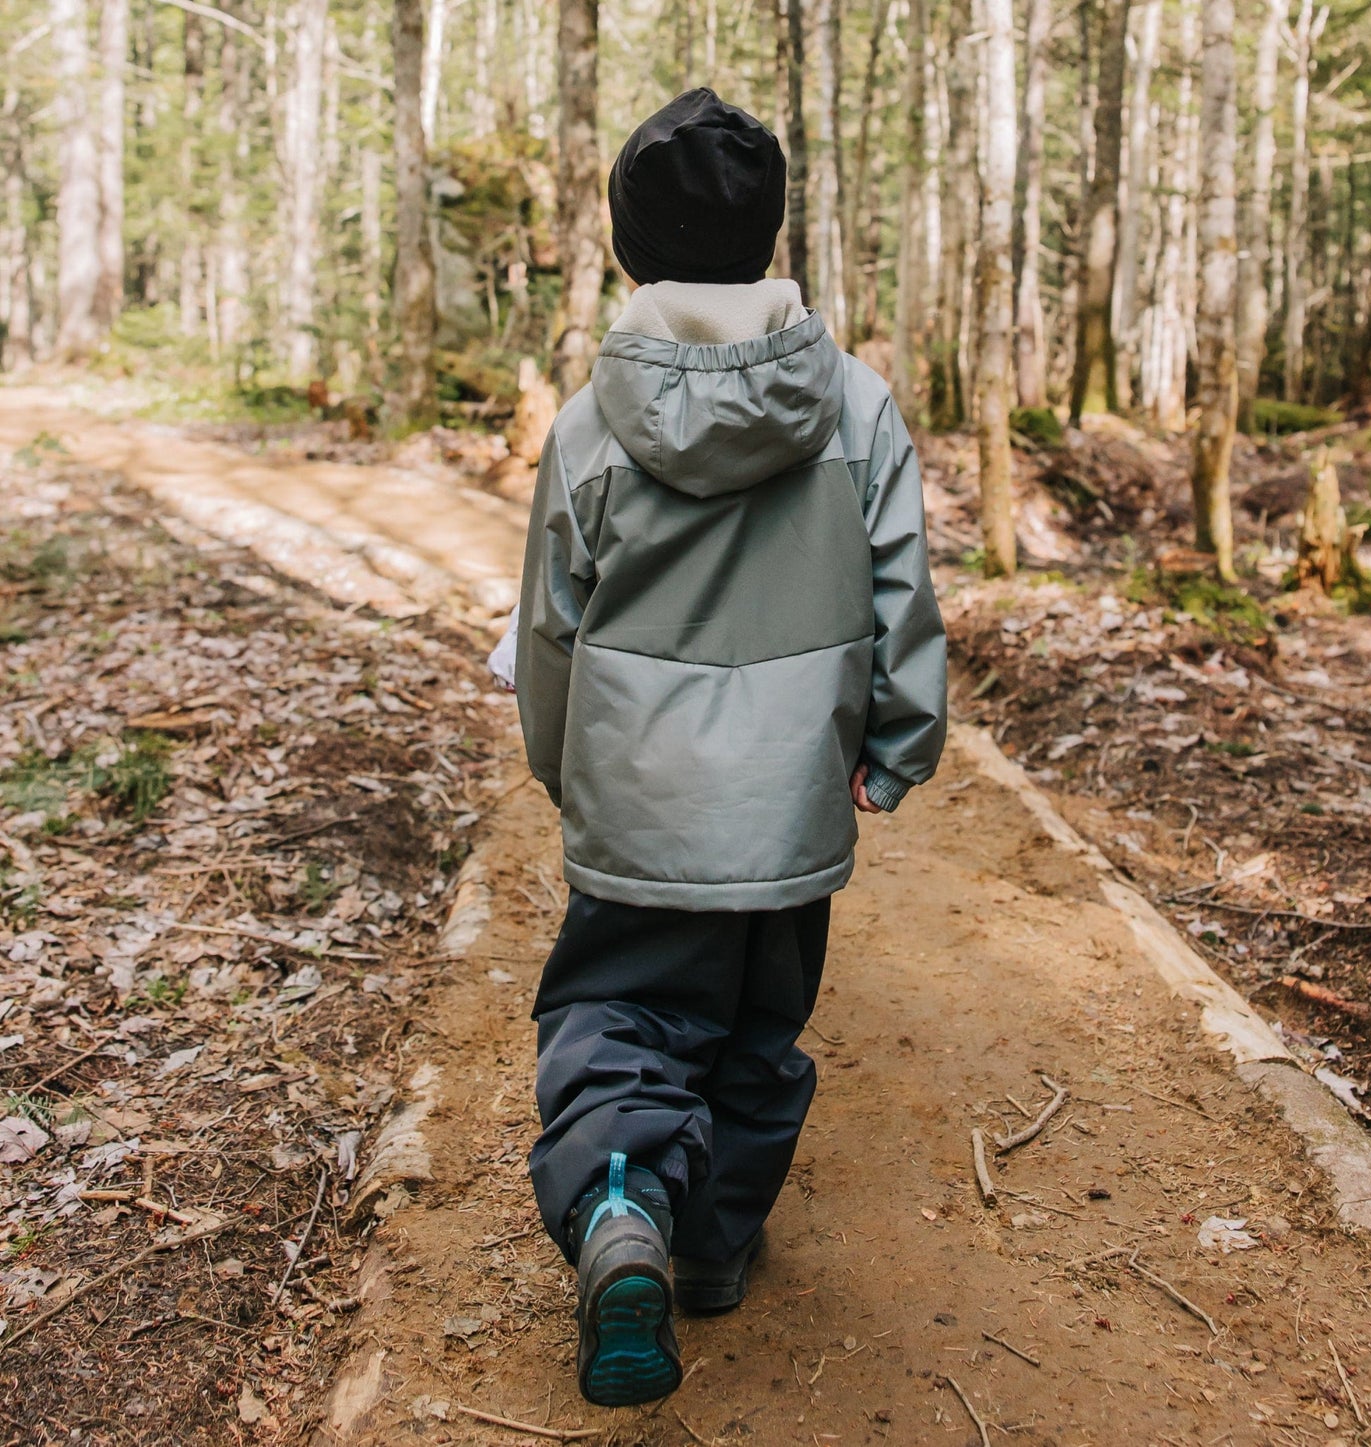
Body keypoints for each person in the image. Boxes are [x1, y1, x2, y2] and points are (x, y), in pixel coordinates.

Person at [513, 87, 948, 1409]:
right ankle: (709, 1250)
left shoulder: (595, 420)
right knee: (758, 1031)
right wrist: (897, 743)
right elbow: (900, 593)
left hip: (638, 804)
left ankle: (619, 1204)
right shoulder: (853, 403)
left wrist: (560, 761)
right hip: (788, 812)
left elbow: (550, 624)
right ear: (769, 236)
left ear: (628, 245)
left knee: (618, 1015)